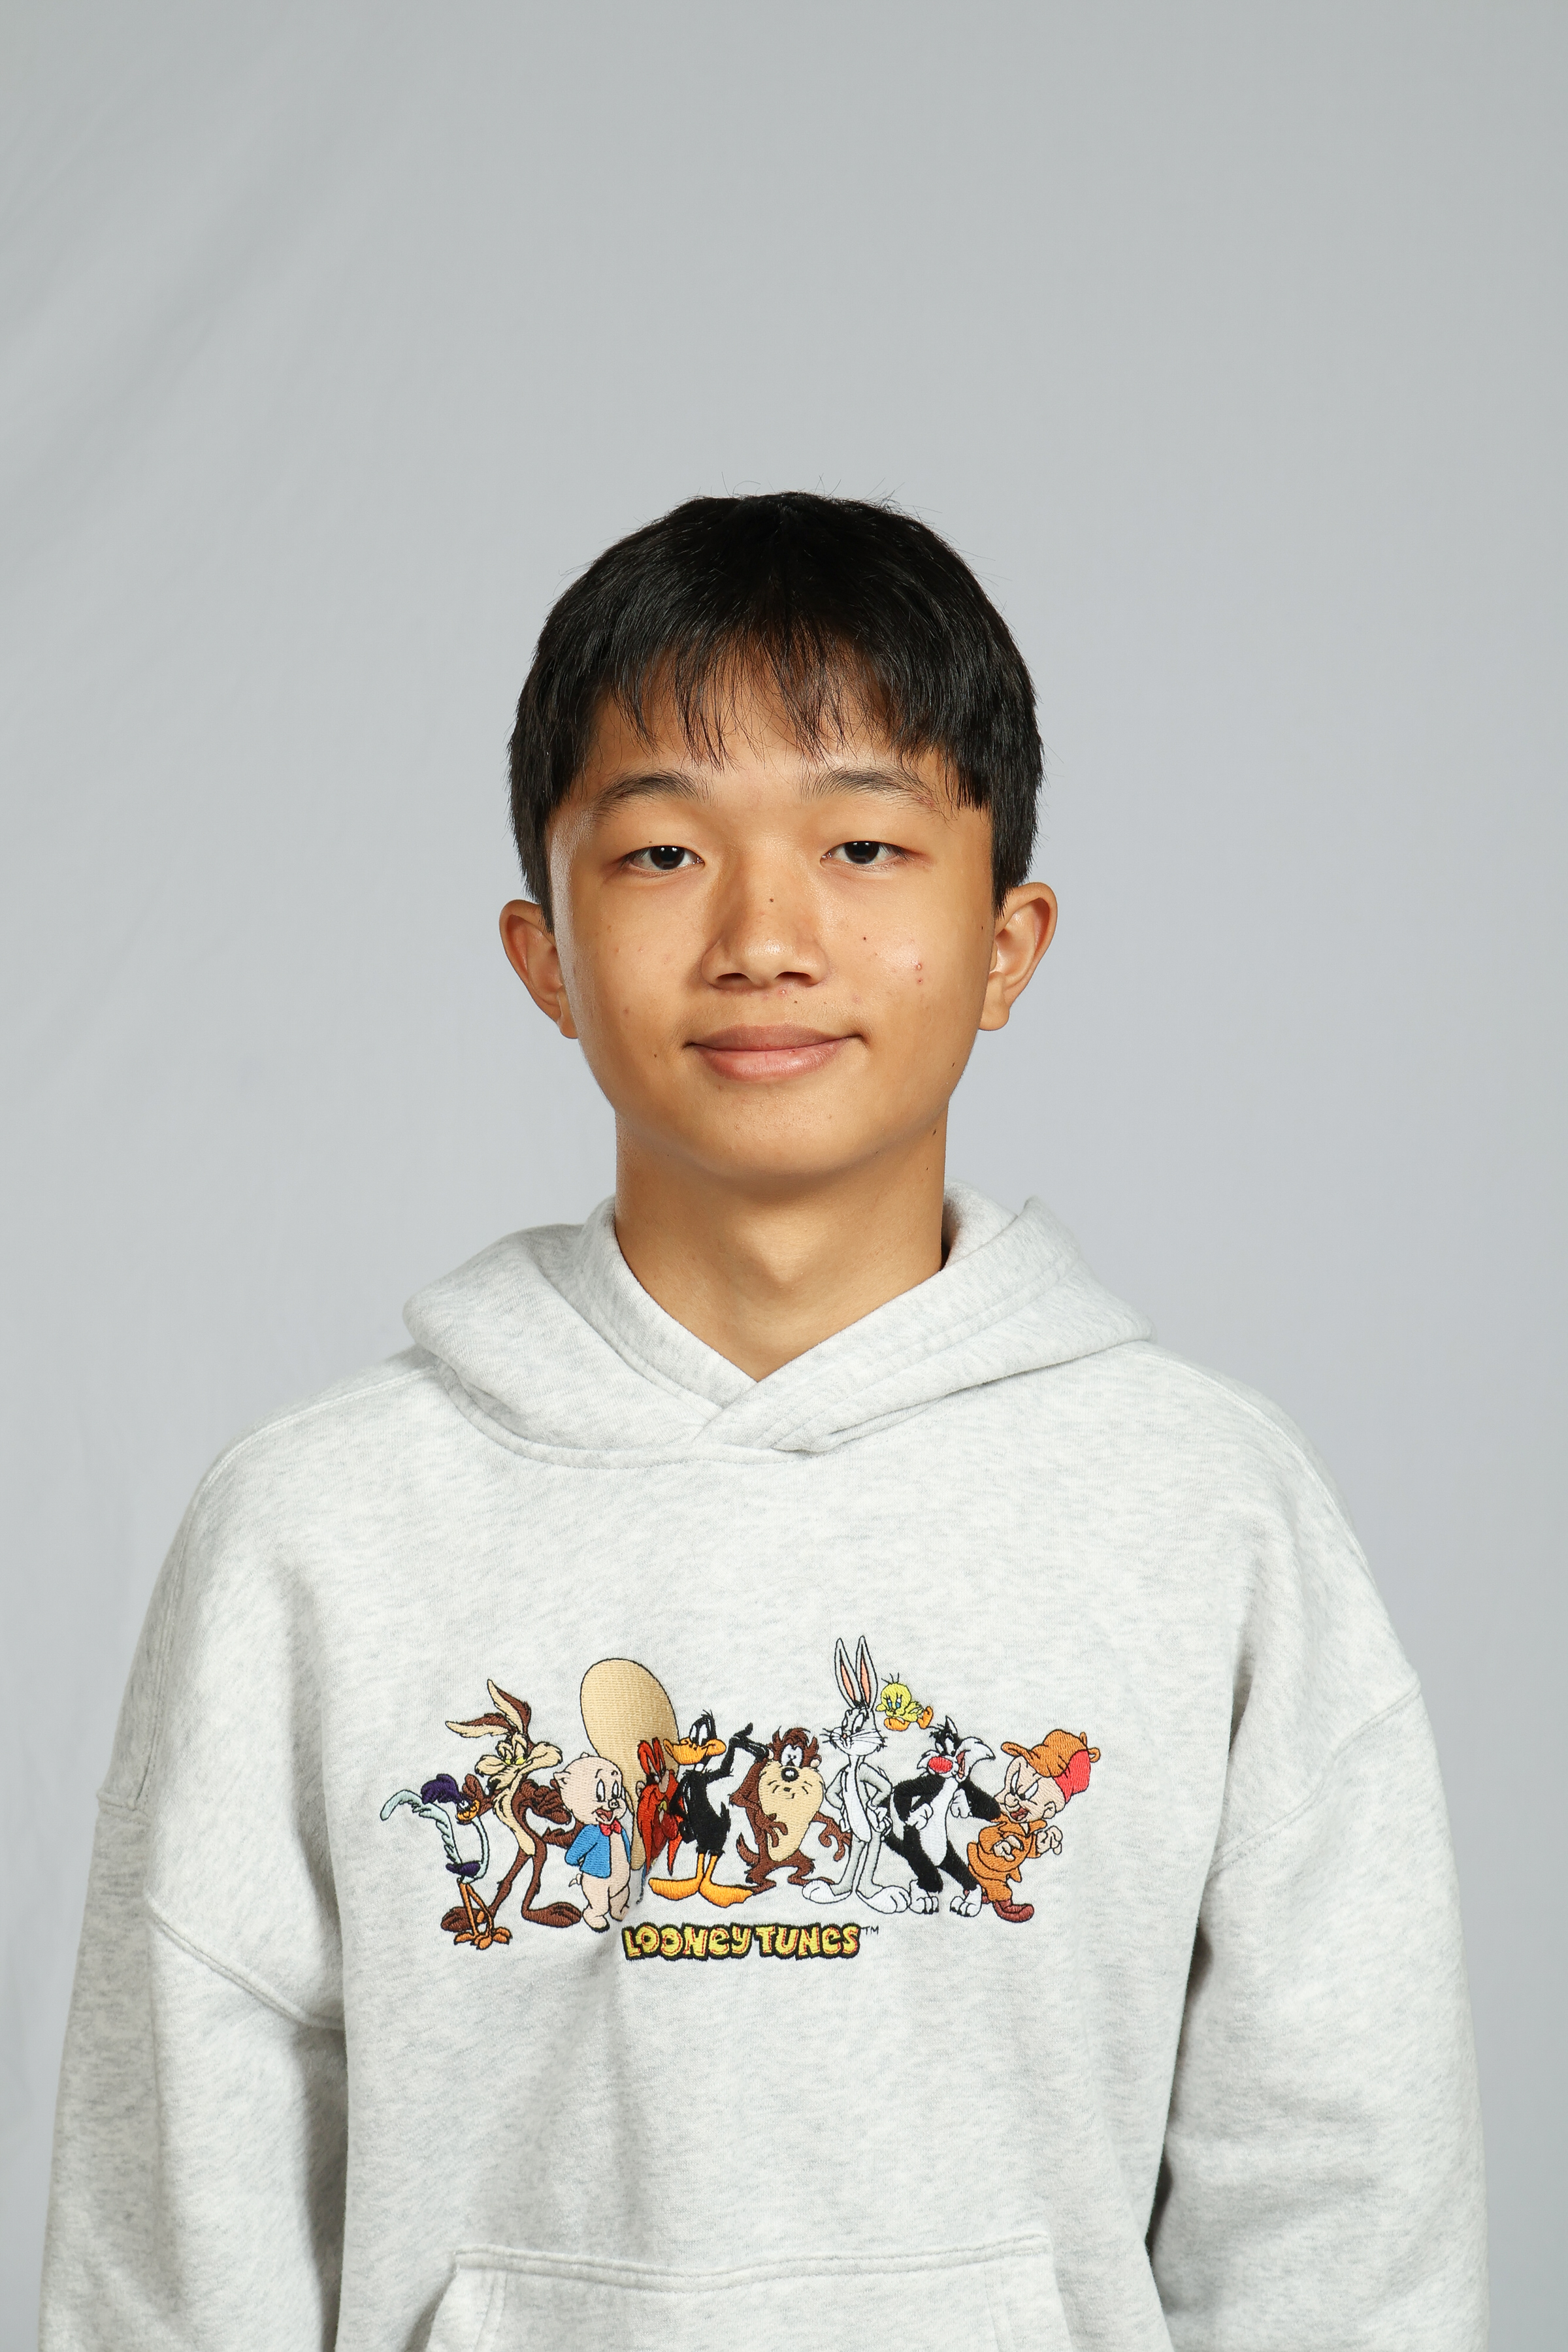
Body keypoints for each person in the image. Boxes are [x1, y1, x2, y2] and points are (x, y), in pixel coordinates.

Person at [40, 493, 1486, 2350]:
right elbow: (175, 2246)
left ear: (1008, 942)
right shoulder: (313, 1530)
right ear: (545, 954)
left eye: (866, 844)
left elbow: (1345, 2223)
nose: (766, 935)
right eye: (661, 852)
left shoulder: (1213, 1514)